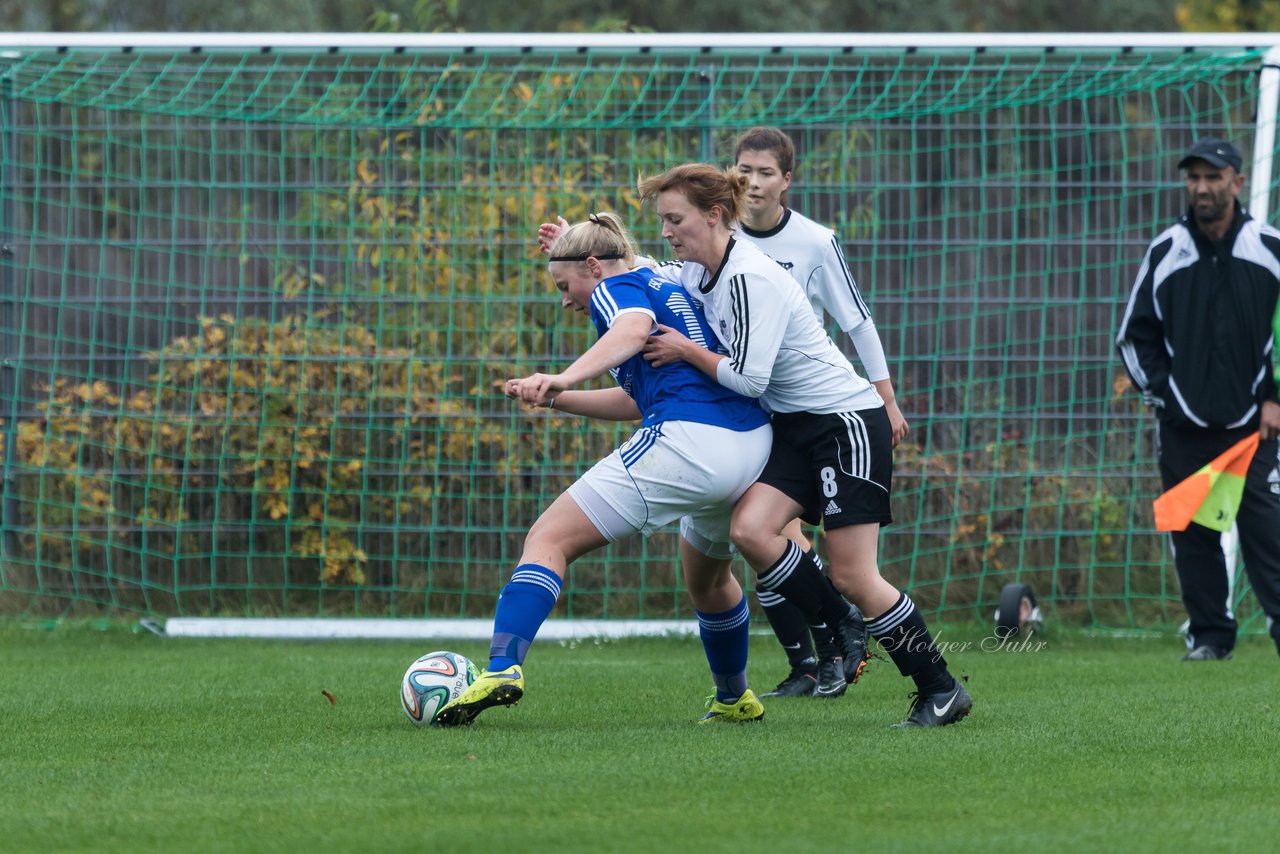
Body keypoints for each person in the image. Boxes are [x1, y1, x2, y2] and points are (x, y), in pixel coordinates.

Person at [639, 164, 972, 726]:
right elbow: (652, 270)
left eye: (676, 219)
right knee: (750, 531)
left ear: (714, 215)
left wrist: (687, 351)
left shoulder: (751, 277)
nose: (668, 232)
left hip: (845, 423)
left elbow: (751, 381)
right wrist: (587, 251)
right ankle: (842, 626)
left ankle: (939, 687)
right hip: (796, 428)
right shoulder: (701, 271)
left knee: (854, 574)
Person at [434, 212, 775, 727]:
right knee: (708, 577)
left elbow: (631, 329)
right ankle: (735, 699)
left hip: (691, 441)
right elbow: (637, 400)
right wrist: (559, 398)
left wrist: (563, 375)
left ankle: (502, 668)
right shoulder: (657, 278)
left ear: (594, 267)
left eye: (564, 285)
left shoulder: (615, 289)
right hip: (749, 442)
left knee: (548, 538)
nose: (566, 300)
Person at [731, 126, 909, 698]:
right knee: (764, 536)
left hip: (819, 412)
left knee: (806, 549)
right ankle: (811, 661)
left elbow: (857, 322)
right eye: (743, 169)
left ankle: (835, 653)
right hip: (753, 407)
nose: (751, 182)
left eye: (764, 172)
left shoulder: (814, 242)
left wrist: (886, 397)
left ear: (787, 181)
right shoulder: (720, 234)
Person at [1116, 137, 1280, 661]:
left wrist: (1275, 398)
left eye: (1213, 177)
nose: (1202, 188)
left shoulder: (1271, 249)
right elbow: (1132, 336)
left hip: (1256, 426)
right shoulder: (1167, 251)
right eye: (1194, 178)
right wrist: (1164, 395)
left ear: (1237, 182)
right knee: (1192, 536)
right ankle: (1210, 638)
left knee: (1268, 534)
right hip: (1182, 428)